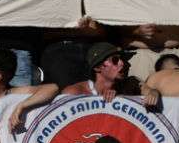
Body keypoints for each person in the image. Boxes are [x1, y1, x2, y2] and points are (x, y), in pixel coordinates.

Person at [9, 42, 139, 129]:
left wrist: (121, 99)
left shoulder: (130, 85)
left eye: (123, 59)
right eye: (115, 60)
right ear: (98, 67)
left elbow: (148, 93)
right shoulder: (73, 93)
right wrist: (22, 105)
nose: (122, 63)